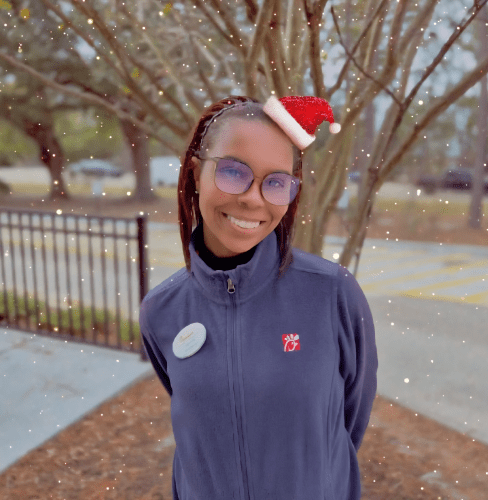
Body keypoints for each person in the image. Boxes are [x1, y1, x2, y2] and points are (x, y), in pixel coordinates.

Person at [139, 94, 378, 500]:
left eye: (276, 182)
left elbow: (349, 421)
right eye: (233, 172)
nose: (253, 198)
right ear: (195, 173)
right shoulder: (162, 311)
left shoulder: (332, 293)